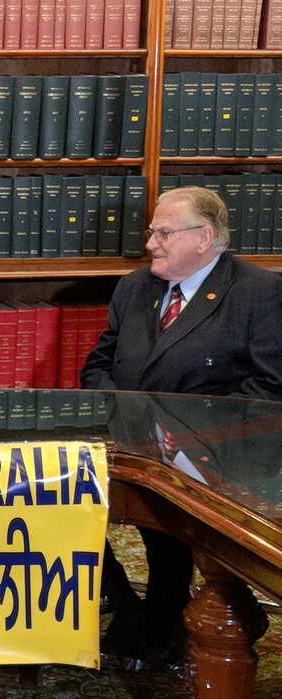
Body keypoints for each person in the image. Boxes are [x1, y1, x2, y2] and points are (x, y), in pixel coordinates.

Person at [81, 185, 282, 668]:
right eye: (152, 231)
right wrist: (125, 417)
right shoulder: (135, 287)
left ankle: (162, 619)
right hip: (130, 446)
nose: (151, 242)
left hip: (217, 459)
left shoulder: (259, 293)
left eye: (164, 232)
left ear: (204, 237)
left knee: (173, 536)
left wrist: (190, 435)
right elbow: (98, 366)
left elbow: (269, 390)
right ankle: (131, 609)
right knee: (64, 498)